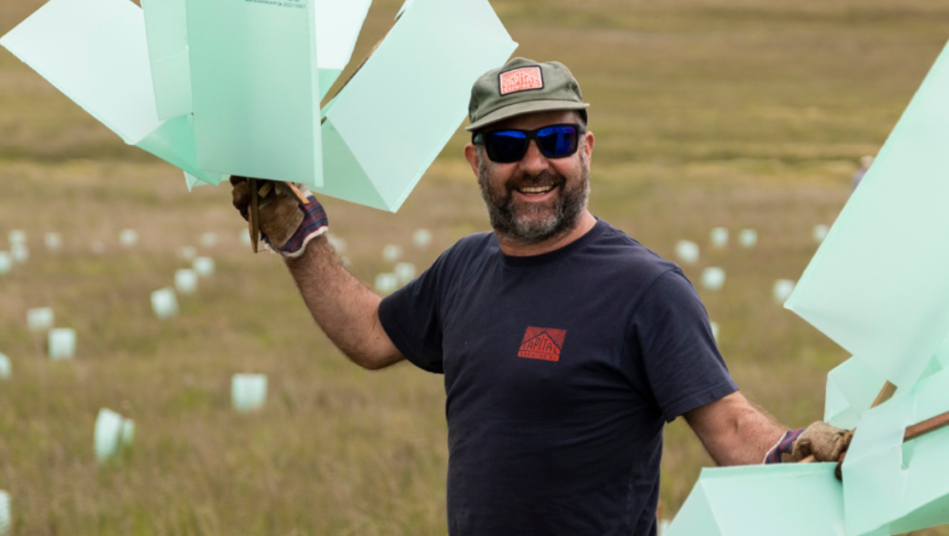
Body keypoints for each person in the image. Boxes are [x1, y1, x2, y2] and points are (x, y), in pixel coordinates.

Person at [230, 58, 850, 536]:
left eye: (554, 140)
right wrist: (298, 236)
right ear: (476, 160)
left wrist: (790, 451)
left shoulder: (646, 289)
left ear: (585, 150)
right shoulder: (464, 267)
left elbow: (731, 425)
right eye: (507, 146)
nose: (533, 163)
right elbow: (368, 335)